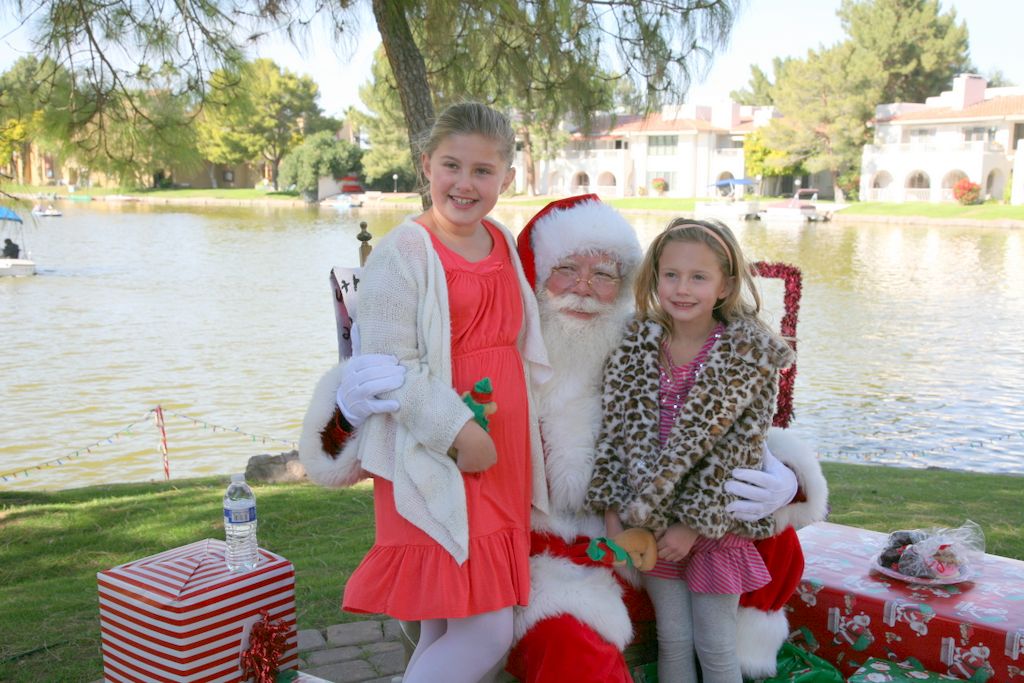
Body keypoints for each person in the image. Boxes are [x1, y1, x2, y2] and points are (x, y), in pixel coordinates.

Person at [301, 195, 828, 681]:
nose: (584, 287)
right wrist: (346, 414)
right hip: (527, 560)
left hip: (636, 538)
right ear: (533, 275)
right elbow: (352, 453)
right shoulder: (488, 348)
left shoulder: (643, 343)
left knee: (768, 540)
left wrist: (789, 478)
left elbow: (710, 424)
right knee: (574, 654)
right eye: (566, 270)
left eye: (604, 274)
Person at [302, 102, 551, 683]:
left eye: (483, 171)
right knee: (487, 632)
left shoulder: (501, 241)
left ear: (506, 179)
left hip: (497, 459)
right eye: (451, 165)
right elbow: (391, 368)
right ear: (426, 165)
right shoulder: (402, 253)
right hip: (436, 453)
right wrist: (460, 433)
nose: (465, 183)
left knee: (448, 626)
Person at [586, 218, 795, 682]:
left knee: (715, 645)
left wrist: (693, 526)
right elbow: (616, 434)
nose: (682, 288)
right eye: (671, 275)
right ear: (655, 277)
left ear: (725, 286)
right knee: (673, 639)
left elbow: (739, 450)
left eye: (699, 277)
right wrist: (613, 508)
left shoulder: (747, 356)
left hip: (714, 528)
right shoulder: (635, 347)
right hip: (653, 524)